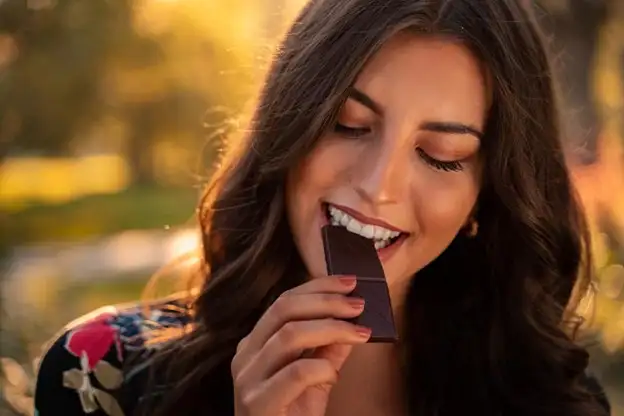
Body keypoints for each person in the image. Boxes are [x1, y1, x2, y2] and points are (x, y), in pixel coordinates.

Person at [34, 0, 613, 415]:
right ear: (289, 123)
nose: (378, 186)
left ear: (485, 198)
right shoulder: (99, 375)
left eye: (440, 155)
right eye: (348, 125)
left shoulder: (553, 399)